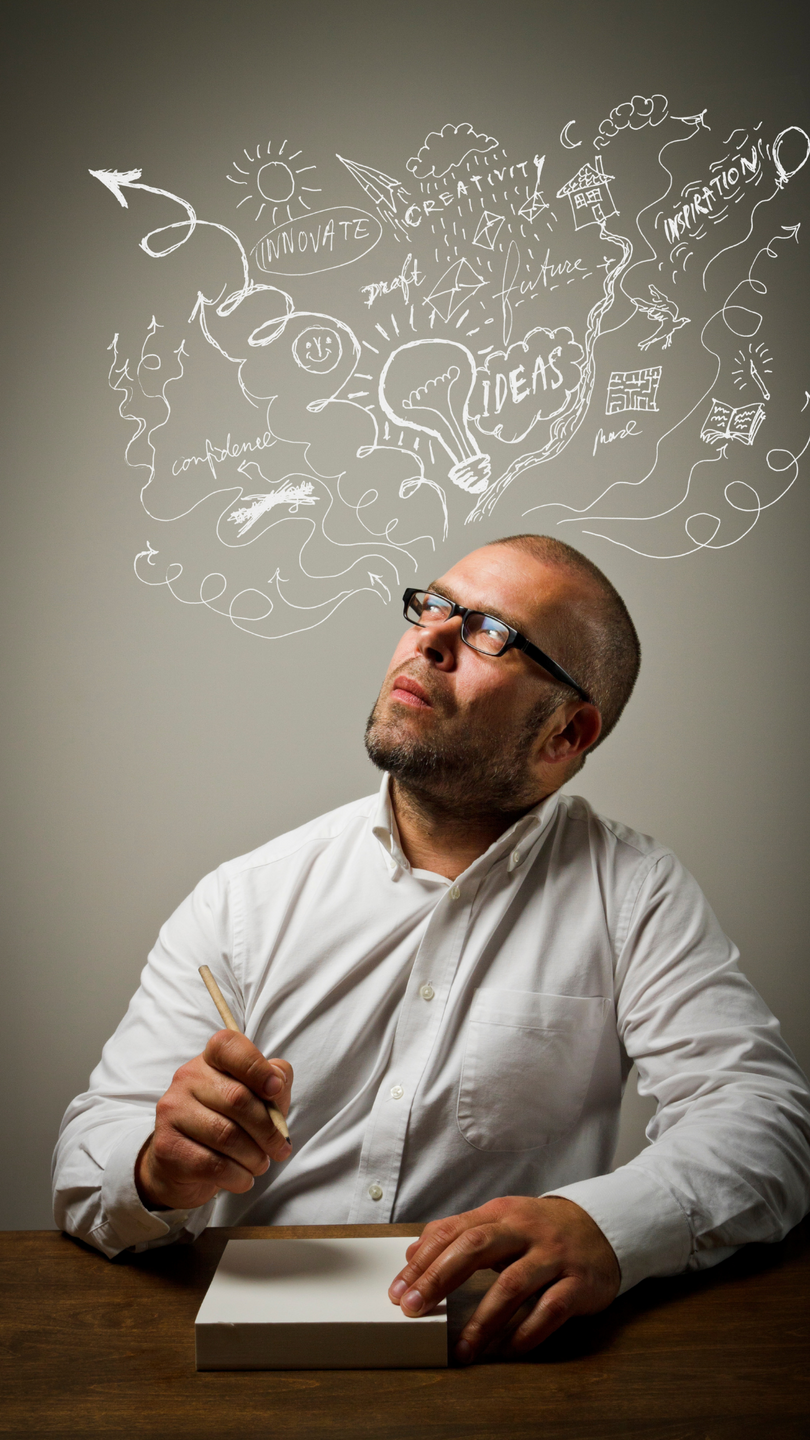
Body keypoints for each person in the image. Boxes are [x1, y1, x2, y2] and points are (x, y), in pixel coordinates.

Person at [53, 534, 810, 1364]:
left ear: (566, 733)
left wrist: (605, 1226)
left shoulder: (634, 894)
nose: (432, 638)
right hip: (259, 1355)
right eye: (434, 605)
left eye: (491, 632)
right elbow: (88, 1163)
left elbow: (762, 1126)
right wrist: (156, 1171)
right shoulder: (243, 899)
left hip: (500, 1356)